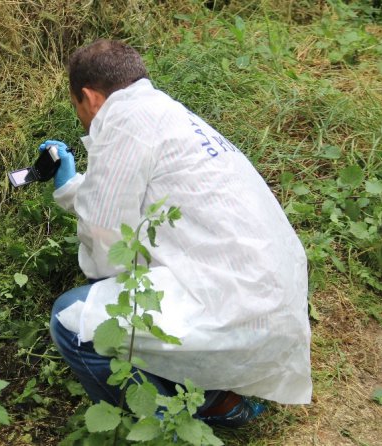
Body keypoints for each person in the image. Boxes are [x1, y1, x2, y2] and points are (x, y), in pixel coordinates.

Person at [42, 39, 312, 427]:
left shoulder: (119, 121)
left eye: (77, 107)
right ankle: (220, 391)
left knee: (74, 321)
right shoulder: (162, 111)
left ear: (89, 97)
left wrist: (73, 201)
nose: (82, 119)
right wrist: (73, 189)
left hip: (236, 306)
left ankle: (183, 417)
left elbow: (108, 247)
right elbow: (138, 197)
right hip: (271, 295)